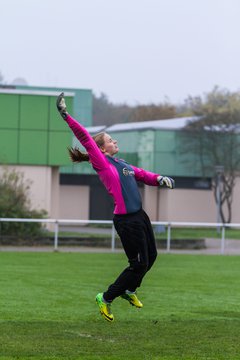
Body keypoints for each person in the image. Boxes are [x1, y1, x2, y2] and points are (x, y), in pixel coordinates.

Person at [56, 92, 175, 322]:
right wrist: (66, 115)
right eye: (111, 140)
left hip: (139, 216)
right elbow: (84, 137)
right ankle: (106, 297)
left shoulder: (122, 164)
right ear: (101, 149)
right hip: (126, 221)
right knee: (138, 263)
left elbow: (142, 174)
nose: (115, 142)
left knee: (151, 256)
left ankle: (130, 290)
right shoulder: (101, 162)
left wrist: (159, 178)